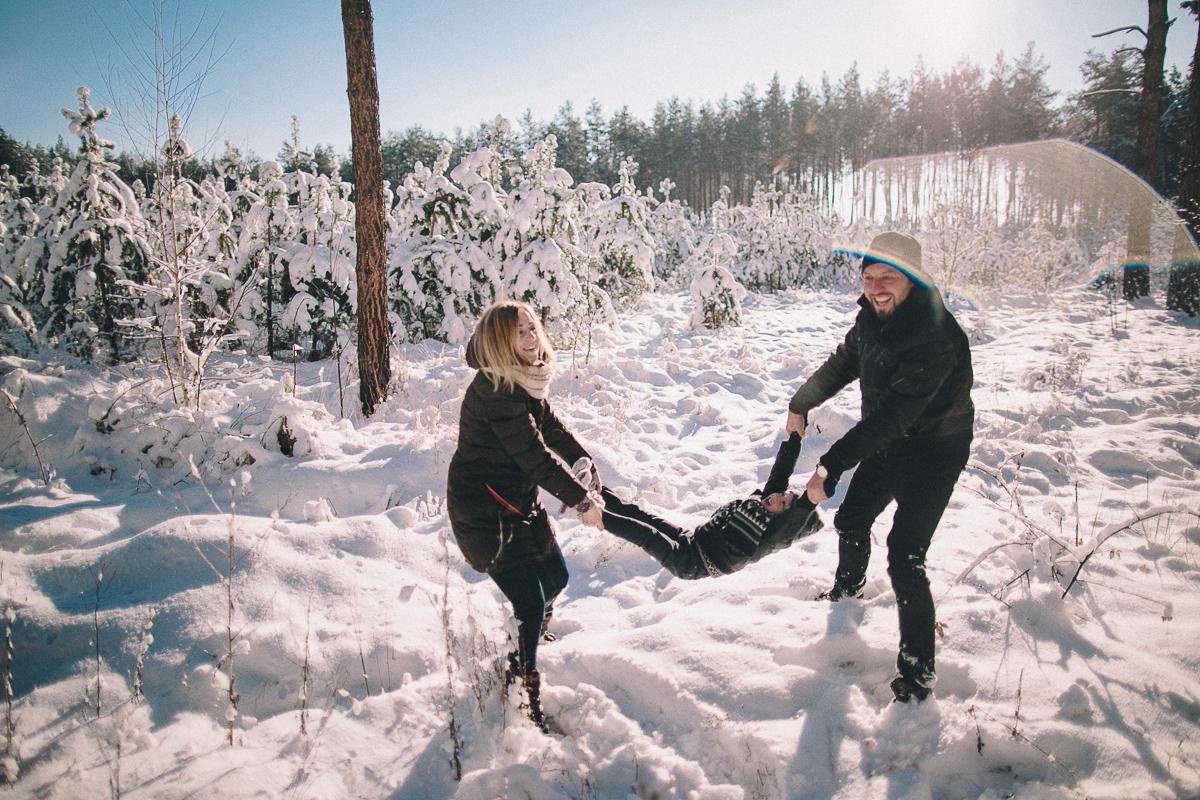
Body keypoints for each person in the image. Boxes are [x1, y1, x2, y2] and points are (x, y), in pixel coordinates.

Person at [787, 231, 974, 703]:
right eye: (869, 277)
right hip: (889, 441)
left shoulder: (936, 335)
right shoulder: (871, 319)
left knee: (905, 554)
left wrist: (829, 467)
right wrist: (801, 403)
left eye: (889, 276)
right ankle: (847, 594)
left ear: (912, 277)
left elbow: (894, 415)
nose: (877, 287)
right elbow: (846, 361)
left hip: (935, 451)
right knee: (851, 518)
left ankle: (917, 674)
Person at [446, 299, 604, 730]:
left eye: (533, 327)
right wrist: (582, 502)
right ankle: (522, 681)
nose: (533, 337)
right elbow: (535, 457)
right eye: (521, 332)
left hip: (517, 502)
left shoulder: (523, 380)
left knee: (557, 578)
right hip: (486, 513)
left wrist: (583, 458)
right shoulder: (497, 391)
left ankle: (527, 638)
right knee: (531, 602)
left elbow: (550, 428)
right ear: (502, 342)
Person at [595, 434, 823, 578]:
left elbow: (794, 520)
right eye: (782, 494)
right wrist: (794, 439)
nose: (776, 497)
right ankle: (596, 492)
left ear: (782, 518)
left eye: (782, 503)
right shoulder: (765, 505)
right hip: (692, 540)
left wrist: (810, 500)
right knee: (641, 516)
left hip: (691, 563)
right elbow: (780, 473)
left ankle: (590, 510)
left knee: (645, 533)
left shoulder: (771, 535)